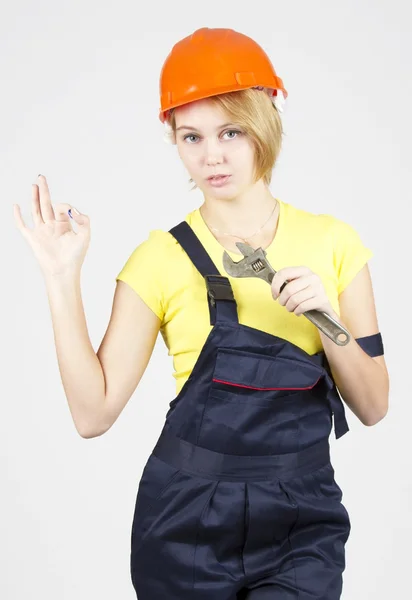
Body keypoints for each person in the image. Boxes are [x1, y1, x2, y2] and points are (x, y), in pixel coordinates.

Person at [14, 26, 389, 600]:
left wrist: (326, 319)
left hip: (302, 518)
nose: (211, 156)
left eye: (231, 131)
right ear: (173, 138)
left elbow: (374, 405)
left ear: (268, 116)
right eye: (191, 136)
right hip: (186, 521)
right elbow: (93, 415)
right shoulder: (160, 259)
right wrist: (61, 276)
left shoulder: (335, 244)